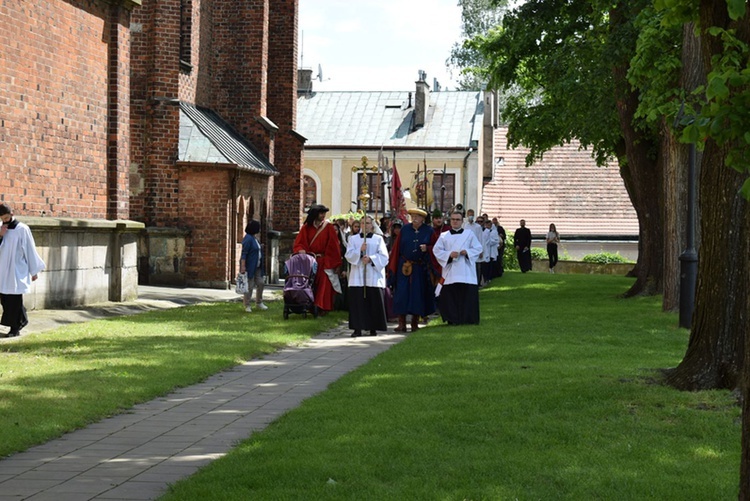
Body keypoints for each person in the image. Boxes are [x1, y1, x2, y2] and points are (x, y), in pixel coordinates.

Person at [0, 203, 46, 338]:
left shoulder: (22, 229)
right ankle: (22, 319)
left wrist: (34, 270)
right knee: (5, 298)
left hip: (16, 269)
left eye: (7, 218)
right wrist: (0, 235)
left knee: (14, 298)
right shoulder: (0, 227)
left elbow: (30, 249)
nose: (5, 221)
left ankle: (15, 328)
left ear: (12, 214)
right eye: (2, 218)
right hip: (2, 269)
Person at [387, 208, 435, 332]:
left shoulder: (429, 231)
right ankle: (401, 323)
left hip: (419, 267)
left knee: (417, 294)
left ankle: (415, 322)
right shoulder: (405, 230)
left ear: (423, 219)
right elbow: (397, 248)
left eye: (417, 217)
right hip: (404, 266)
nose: (414, 218)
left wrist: (427, 248)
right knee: (401, 293)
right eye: (412, 216)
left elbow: (436, 247)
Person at [433, 211, 483, 325]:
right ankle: (453, 319)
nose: (455, 221)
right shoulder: (444, 236)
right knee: (451, 297)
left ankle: (468, 319)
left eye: (457, 219)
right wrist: (449, 255)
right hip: (451, 272)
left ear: (462, 221)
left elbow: (478, 248)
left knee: (467, 296)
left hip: (466, 272)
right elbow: (436, 250)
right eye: (453, 219)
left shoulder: (469, 234)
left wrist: (468, 252)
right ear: (450, 221)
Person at [293, 204, 342, 313]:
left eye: (324, 213)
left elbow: (334, 246)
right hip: (309, 260)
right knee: (309, 282)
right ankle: (309, 304)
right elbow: (299, 243)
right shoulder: (306, 228)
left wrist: (334, 263)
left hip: (324, 261)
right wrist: (301, 250)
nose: (323, 215)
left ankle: (321, 306)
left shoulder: (328, 227)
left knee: (324, 283)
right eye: (321, 213)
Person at [345, 216, 389, 337]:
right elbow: (348, 255)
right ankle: (357, 328)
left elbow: (384, 257)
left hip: (373, 275)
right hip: (358, 276)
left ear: (372, 225)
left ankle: (373, 327)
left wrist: (371, 259)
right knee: (358, 302)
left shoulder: (378, 239)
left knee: (373, 301)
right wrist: (359, 251)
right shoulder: (353, 239)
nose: (365, 225)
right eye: (363, 223)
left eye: (368, 223)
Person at [239, 220, 267, 313]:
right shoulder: (248, 238)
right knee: (249, 286)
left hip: (258, 266)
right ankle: (247, 305)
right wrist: (243, 266)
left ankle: (259, 302)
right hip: (250, 266)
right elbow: (244, 253)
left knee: (261, 283)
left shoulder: (254, 238)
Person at [480, 218, 500, 285]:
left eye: (489, 225)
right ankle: (485, 278)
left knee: (490, 265)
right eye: (486, 225)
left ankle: (489, 277)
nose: (487, 226)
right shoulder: (484, 231)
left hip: (491, 250)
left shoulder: (494, 231)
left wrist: (490, 242)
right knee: (484, 265)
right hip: (485, 250)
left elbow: (496, 240)